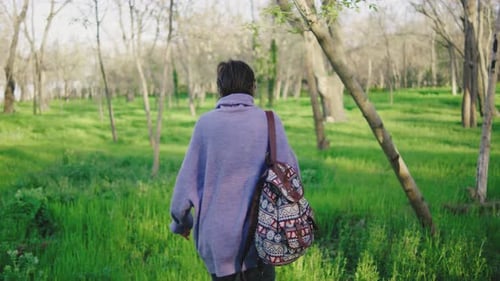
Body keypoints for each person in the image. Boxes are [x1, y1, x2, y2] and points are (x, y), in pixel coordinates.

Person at [169, 60, 300, 281]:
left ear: (220, 88)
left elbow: (184, 191)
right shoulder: (269, 121)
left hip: (218, 242)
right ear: (253, 87)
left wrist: (182, 223)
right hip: (262, 234)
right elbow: (292, 176)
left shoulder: (205, 125)